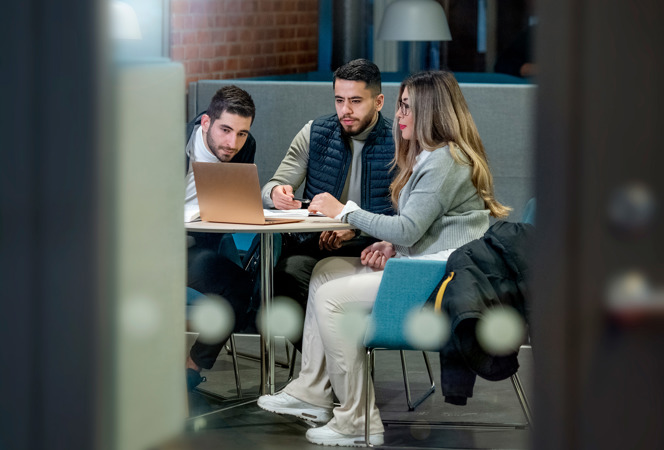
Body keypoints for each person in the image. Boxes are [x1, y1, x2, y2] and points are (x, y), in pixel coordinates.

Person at [257, 70, 511, 447]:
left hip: (439, 276)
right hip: (424, 263)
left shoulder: (444, 162)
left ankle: (357, 419)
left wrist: (346, 213)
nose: (401, 113)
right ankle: (311, 391)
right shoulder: (434, 155)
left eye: (408, 106)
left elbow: (409, 228)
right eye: (401, 104)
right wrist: (392, 245)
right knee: (325, 271)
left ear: (431, 111)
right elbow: (427, 225)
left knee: (331, 299)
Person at [260, 58, 395, 349]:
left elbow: (403, 216)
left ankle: (328, 374)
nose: (345, 111)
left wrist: (354, 229)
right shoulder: (315, 133)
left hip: (375, 245)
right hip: (319, 242)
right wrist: (276, 194)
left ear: (379, 101)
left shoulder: (400, 141)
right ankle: (330, 367)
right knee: (284, 277)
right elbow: (272, 185)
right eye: (339, 100)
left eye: (356, 101)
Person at [185, 85, 257, 392]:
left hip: (195, 247)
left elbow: (232, 199)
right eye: (226, 130)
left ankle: (190, 368)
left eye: (241, 133)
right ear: (205, 122)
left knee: (240, 286)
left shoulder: (245, 146)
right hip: (146, 249)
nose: (233, 143)